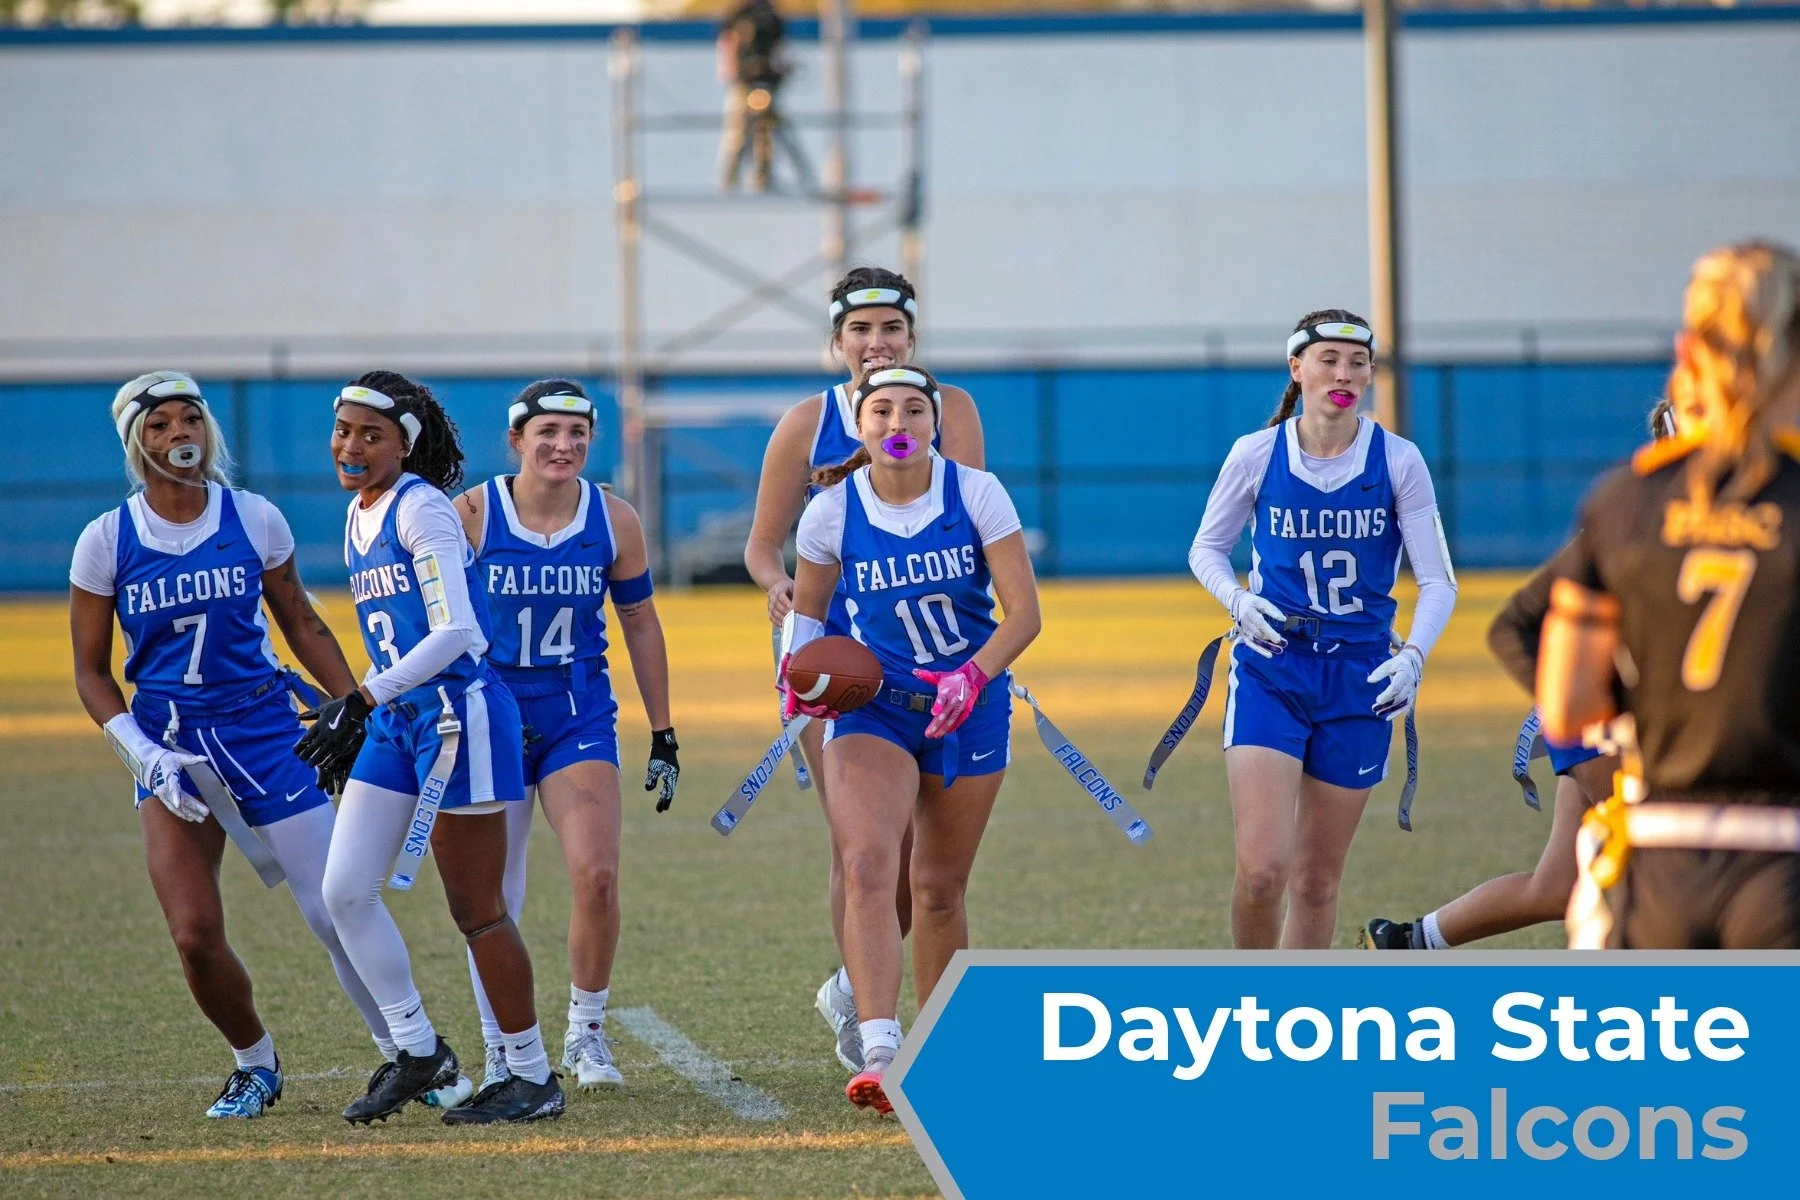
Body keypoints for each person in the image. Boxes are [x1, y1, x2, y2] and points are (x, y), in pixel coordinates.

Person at [69, 371, 390, 1119]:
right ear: (135, 443)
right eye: (158, 425)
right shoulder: (106, 539)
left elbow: (300, 620)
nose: (178, 434)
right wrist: (141, 753)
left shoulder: (253, 516)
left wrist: (353, 706)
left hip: (266, 732)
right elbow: (89, 672)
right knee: (192, 935)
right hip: (172, 750)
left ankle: (407, 1053)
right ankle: (255, 1062)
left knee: (334, 910)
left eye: (189, 418)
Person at [304, 370, 562, 1124]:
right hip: (400, 717)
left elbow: (457, 633)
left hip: (458, 715)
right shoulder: (359, 512)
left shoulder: (421, 509)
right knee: (343, 892)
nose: (351, 446)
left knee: (478, 910)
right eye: (344, 430)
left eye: (371, 434)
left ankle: (533, 1077)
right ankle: (420, 1050)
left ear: (405, 446)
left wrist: (361, 697)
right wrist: (372, 704)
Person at [745, 268, 985, 1076]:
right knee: (863, 847)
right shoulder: (806, 423)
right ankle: (871, 1017)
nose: (877, 344)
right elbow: (762, 545)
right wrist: (778, 586)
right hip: (838, 662)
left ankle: (853, 987)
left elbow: (969, 512)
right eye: (861, 331)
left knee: (925, 864)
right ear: (838, 341)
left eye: (891, 329)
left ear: (912, 338)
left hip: (934, 659)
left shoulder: (948, 409)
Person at [783, 364, 1040, 1113]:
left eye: (914, 410)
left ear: (935, 423)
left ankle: (945, 1052)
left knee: (938, 889)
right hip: (875, 707)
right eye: (882, 411)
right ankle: (880, 1050)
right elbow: (808, 616)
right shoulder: (831, 511)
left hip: (970, 704)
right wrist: (795, 676)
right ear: (861, 426)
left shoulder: (977, 493)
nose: (898, 423)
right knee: (868, 864)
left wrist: (973, 675)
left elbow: (1024, 614)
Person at [1535, 240, 1800, 949]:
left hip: (1657, 858)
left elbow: (1568, 704)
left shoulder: (1624, 501)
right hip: (1784, 856)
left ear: (1688, 352)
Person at [1357, 396, 1685, 950]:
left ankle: (1405, 944)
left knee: (1557, 888)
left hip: (1640, 713)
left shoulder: (1742, 513)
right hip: (1604, 713)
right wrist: (1581, 702)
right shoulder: (1643, 515)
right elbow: (1529, 619)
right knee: (1674, 859)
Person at [1187, 310, 1459, 949]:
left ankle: (1296, 1004)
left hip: (1362, 674)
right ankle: (1250, 1001)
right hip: (1273, 667)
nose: (1343, 374)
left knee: (1315, 882)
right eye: (1328, 360)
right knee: (1262, 871)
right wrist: (1238, 601)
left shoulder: (1398, 459)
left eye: (1357, 363)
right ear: (1297, 369)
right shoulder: (1257, 453)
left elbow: (1438, 580)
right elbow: (1206, 549)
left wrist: (1414, 658)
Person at [453, 379, 678, 1093]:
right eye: (547, 431)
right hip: (490, 711)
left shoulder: (613, 518)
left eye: (577, 432)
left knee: (597, 874)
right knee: (494, 894)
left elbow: (639, 621)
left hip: (575, 711)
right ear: (516, 440)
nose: (563, 444)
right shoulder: (472, 514)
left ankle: (586, 1030)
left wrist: (663, 730)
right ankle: (501, 1042)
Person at [716, 0, 787, 192]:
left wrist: (775, 72)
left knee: (765, 133)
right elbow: (727, 43)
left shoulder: (772, 17)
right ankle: (729, 182)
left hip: (765, 83)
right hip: (742, 84)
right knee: (737, 132)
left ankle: (763, 179)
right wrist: (734, 72)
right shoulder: (739, 14)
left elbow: (778, 49)